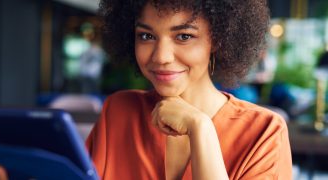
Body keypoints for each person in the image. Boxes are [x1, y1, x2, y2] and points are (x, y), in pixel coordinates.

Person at [86, 0, 292, 180]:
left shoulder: (264, 132)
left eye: (184, 36)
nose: (161, 57)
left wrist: (201, 128)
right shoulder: (119, 112)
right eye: (147, 36)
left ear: (218, 40)